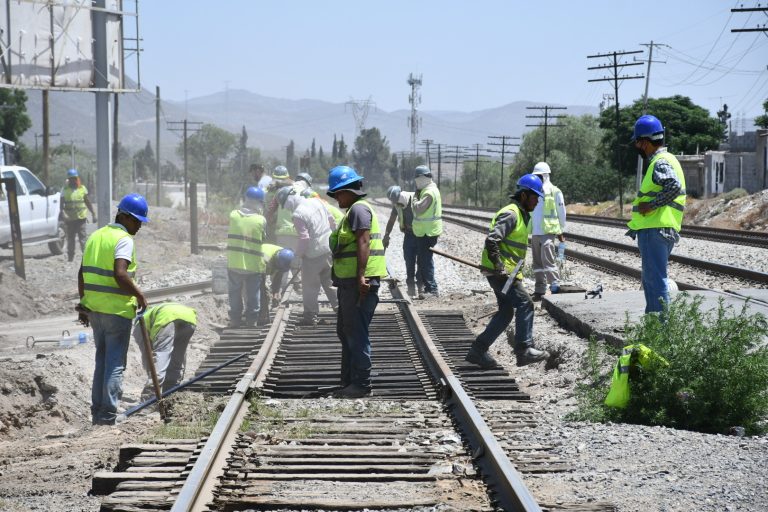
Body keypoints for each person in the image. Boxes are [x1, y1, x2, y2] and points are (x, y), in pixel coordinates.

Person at [77, 193, 149, 425]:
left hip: (95, 309)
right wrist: (139, 295)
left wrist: (84, 304)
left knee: (102, 360)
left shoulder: (96, 236)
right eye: (137, 220)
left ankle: (97, 413)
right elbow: (120, 274)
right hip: (116, 312)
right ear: (124, 216)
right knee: (116, 363)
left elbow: (82, 273)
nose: (139, 226)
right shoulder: (124, 239)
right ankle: (108, 415)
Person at [465, 175, 550, 369]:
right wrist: (498, 265)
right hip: (501, 273)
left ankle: (477, 351)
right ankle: (524, 350)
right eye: (534, 197)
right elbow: (492, 240)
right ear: (524, 196)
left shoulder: (521, 215)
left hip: (506, 273)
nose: (537, 201)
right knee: (525, 304)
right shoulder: (511, 214)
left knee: (505, 312)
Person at [327, 165, 386, 398]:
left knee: (356, 332)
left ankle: (361, 383)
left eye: (337, 193)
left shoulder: (359, 210)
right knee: (346, 330)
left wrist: (361, 275)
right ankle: (349, 380)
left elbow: (363, 241)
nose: (335, 198)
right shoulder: (353, 210)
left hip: (358, 283)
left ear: (347, 190)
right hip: (349, 284)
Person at [627, 114, 686, 315]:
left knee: (654, 279)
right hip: (662, 228)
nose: (637, 147)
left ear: (644, 142)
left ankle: (658, 331)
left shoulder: (660, 162)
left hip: (655, 228)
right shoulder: (669, 159)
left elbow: (673, 186)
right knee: (653, 278)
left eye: (637, 142)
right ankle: (656, 325)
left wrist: (650, 205)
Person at [278, 185, 338, 325]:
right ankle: (342, 311)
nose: (286, 209)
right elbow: (332, 221)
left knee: (310, 286)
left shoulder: (298, 214)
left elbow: (304, 238)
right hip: (328, 249)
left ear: (289, 201)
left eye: (285, 206)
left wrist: (297, 257)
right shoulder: (317, 201)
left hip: (313, 255)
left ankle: (310, 317)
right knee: (330, 283)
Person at [131, 302, 197, 399]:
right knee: (178, 356)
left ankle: (150, 396)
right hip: (189, 318)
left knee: (161, 354)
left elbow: (148, 356)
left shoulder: (138, 326)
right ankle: (171, 394)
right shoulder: (152, 313)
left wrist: (152, 374)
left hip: (167, 318)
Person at [227, 186, 266, 327]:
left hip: (234, 262)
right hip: (253, 264)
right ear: (259, 202)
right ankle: (252, 320)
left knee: (234, 293)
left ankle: (235, 320)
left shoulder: (233, 215)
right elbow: (263, 238)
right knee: (253, 294)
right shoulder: (260, 220)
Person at [530, 162, 566, 300]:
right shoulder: (533, 191)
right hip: (535, 232)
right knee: (537, 263)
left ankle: (555, 285)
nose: (537, 178)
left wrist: (561, 230)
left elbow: (561, 212)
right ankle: (539, 289)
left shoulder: (555, 191)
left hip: (548, 232)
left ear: (545, 175)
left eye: (539, 176)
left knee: (548, 260)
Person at [411, 165, 442, 296]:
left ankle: (432, 288)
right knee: (424, 260)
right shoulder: (430, 190)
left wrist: (414, 198)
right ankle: (428, 287)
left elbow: (418, 209)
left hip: (427, 232)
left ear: (421, 178)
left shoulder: (429, 192)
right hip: (426, 231)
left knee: (425, 261)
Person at [382, 185, 419, 297]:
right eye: (393, 201)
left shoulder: (414, 200)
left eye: (396, 200)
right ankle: (411, 289)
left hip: (421, 235)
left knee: (421, 262)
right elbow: (392, 220)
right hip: (408, 235)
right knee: (409, 260)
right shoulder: (397, 204)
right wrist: (387, 235)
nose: (396, 203)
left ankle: (421, 288)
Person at [61, 168, 96, 262]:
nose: (73, 180)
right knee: (71, 239)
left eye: (74, 178)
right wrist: (63, 215)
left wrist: (93, 214)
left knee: (83, 239)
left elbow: (87, 202)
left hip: (81, 219)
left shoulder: (82, 189)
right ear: (68, 179)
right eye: (71, 178)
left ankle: (87, 259)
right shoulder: (65, 190)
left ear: (77, 178)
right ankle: (70, 258)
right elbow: (61, 206)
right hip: (70, 220)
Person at [256, 244, 295, 325]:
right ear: (275, 260)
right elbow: (261, 282)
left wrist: (275, 293)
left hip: (262, 267)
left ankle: (262, 313)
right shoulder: (264, 259)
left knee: (267, 295)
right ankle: (255, 315)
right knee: (259, 293)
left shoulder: (284, 255)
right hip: (253, 268)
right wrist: (265, 301)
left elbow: (278, 276)